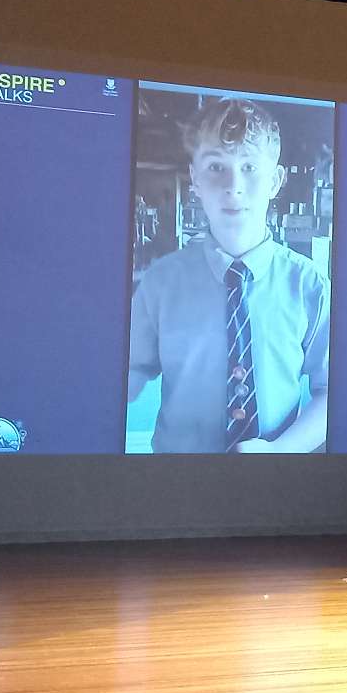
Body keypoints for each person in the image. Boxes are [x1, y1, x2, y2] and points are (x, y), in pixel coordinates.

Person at [127, 96, 330, 453]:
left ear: (275, 181)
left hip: (275, 480)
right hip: (173, 480)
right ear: (194, 179)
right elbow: (128, 373)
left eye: (249, 166)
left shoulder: (310, 285)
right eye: (216, 166)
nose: (233, 185)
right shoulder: (160, 283)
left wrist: (281, 452)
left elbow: (331, 391)